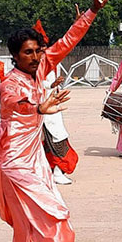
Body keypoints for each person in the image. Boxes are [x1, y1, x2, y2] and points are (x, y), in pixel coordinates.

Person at [0, 0, 108, 242]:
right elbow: (17, 104)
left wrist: (93, 11)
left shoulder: (42, 67)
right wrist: (38, 107)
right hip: (14, 165)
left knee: (31, 226)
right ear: (15, 55)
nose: (36, 56)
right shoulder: (9, 83)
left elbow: (68, 41)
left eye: (38, 50)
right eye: (28, 52)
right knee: (56, 220)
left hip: (36, 162)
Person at [34, 19, 79, 185]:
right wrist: (50, 85)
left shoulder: (51, 62)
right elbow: (34, 83)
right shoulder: (34, 63)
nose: (45, 49)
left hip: (53, 106)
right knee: (49, 140)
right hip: (41, 108)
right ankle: (52, 172)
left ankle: (57, 171)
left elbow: (66, 43)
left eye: (46, 45)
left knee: (58, 138)